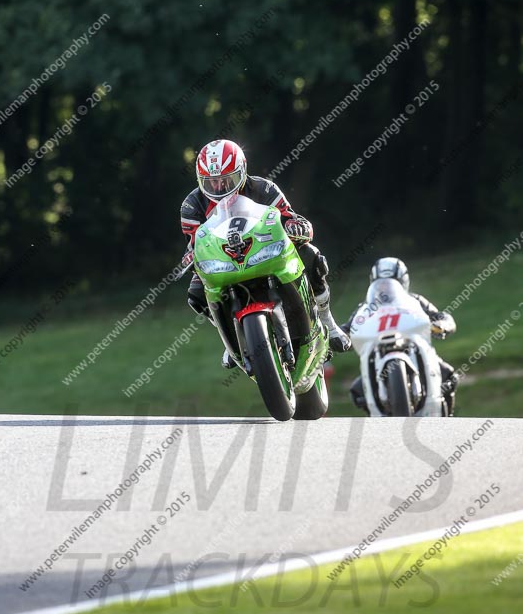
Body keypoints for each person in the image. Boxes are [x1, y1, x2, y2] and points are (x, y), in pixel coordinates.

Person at [180, 139, 350, 367]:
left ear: (242, 172)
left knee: (311, 255)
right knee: (196, 292)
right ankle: (230, 338)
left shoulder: (264, 188)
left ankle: (328, 320)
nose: (220, 188)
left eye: (226, 180)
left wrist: (297, 227)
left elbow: (291, 218)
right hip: (224, 261)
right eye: (212, 183)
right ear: (201, 181)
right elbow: (196, 245)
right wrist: (190, 257)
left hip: (265, 251)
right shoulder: (191, 206)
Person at [342, 257, 458, 415]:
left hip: (411, 345)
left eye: (391, 282)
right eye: (381, 282)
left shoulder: (415, 301)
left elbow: (440, 316)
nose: (386, 287)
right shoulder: (364, 309)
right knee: (357, 391)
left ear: (402, 281)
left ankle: (448, 418)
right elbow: (346, 328)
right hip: (378, 350)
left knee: (449, 376)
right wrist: (338, 337)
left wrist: (442, 324)